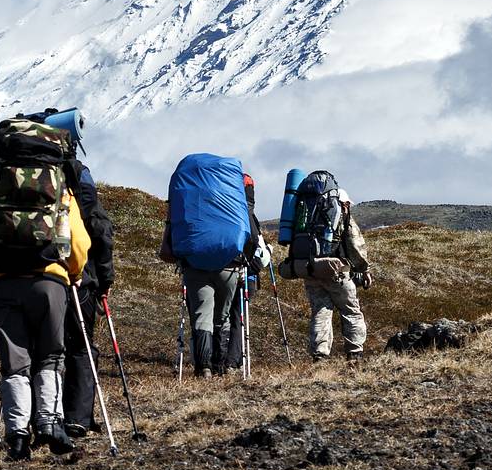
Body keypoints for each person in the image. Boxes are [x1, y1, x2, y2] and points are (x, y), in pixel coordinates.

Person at [0, 120, 90, 461]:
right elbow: (79, 241)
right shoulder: (60, 185)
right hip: (49, 280)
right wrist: (71, 272)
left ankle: (17, 436)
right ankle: (49, 423)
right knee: (50, 355)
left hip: (1, 281)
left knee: (14, 362)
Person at [158, 154, 251, 379]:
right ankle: (220, 366)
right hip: (229, 263)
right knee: (223, 316)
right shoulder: (231, 197)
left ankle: (204, 369)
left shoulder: (189, 195)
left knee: (201, 316)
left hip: (194, 264)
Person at [283, 171, 372, 362]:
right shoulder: (340, 210)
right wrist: (363, 269)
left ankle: (320, 356)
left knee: (320, 311)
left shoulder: (304, 209)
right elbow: (354, 243)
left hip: (309, 268)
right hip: (335, 270)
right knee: (351, 310)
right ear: (344, 202)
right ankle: (355, 354)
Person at [62, 161, 115, 438]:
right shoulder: (77, 171)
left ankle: (38, 419)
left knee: (36, 349)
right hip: (79, 275)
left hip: (23, 274)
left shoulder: (10, 166)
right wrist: (105, 278)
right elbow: (98, 228)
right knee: (80, 346)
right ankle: (77, 417)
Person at [224, 174, 272, 374]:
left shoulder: (224, 213)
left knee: (220, 316)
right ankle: (233, 362)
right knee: (237, 318)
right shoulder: (250, 216)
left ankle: (216, 359)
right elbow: (260, 256)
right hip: (246, 276)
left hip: (223, 271)